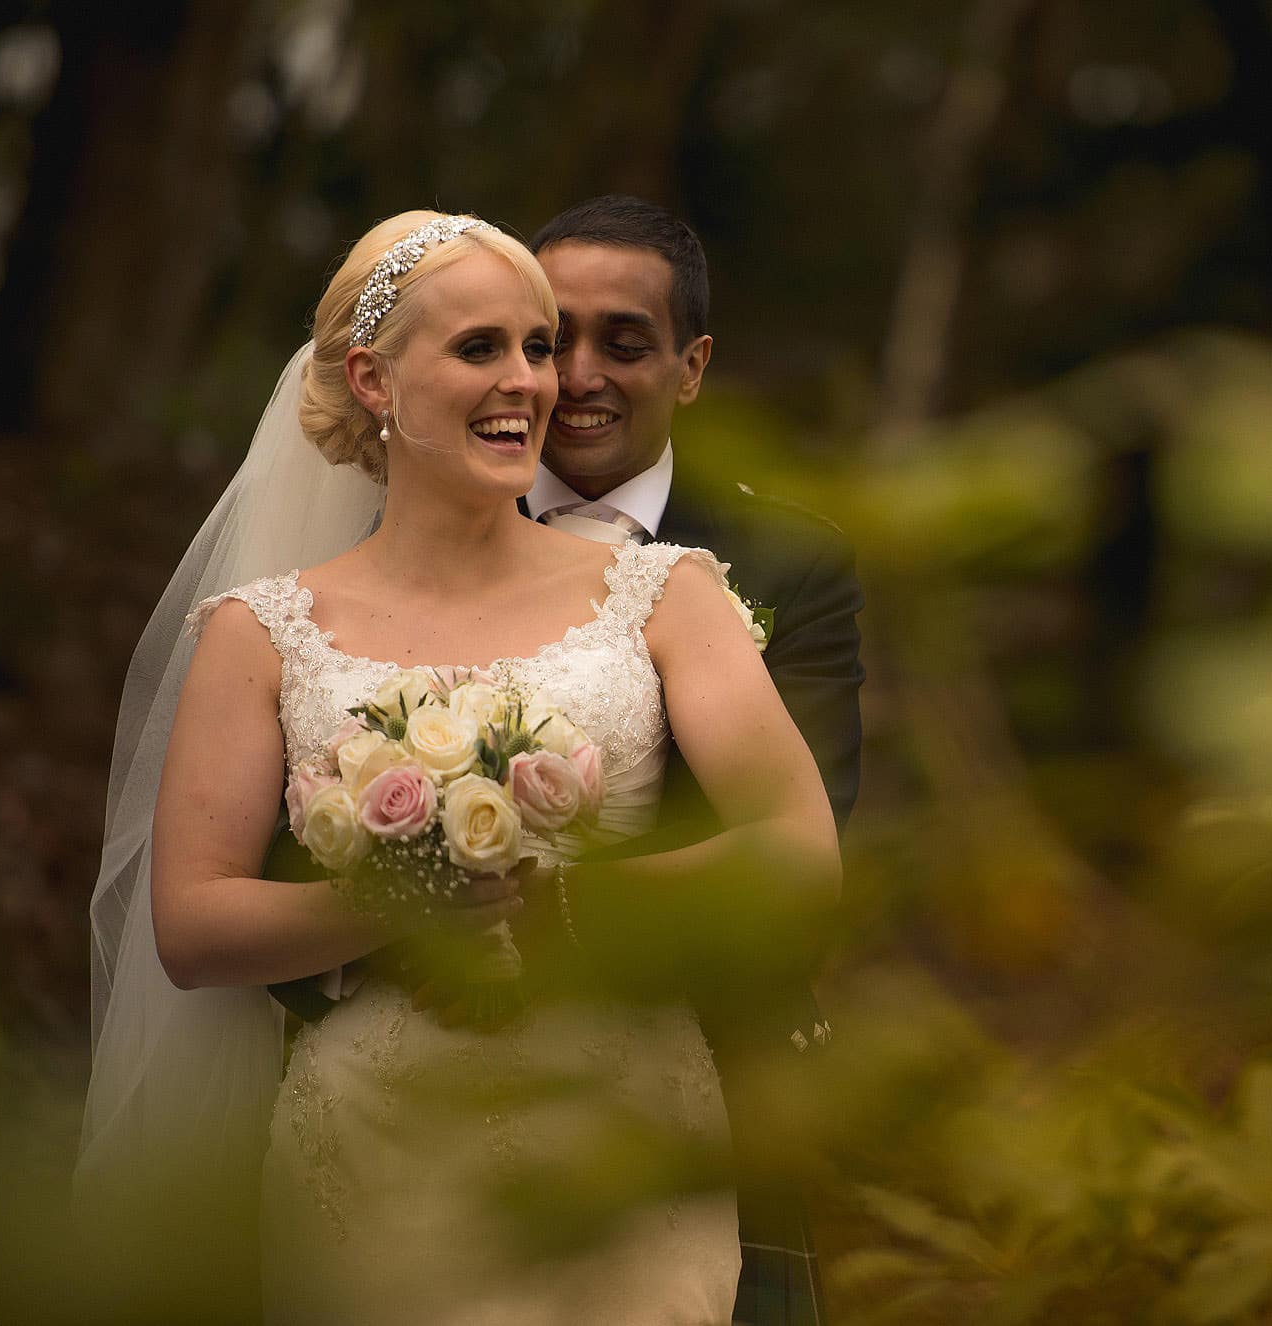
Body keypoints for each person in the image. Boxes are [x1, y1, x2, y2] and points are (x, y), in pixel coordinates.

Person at [78, 210, 839, 1324]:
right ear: (372, 382)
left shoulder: (666, 593)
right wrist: (395, 899)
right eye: (481, 348)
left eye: (536, 347)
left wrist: (576, 900)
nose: (532, 382)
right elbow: (191, 928)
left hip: (622, 1132)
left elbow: (798, 851)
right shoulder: (260, 631)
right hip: (374, 1150)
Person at [525, 195, 864, 1326]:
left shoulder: (788, 562)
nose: (577, 374)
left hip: (701, 1076)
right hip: (418, 1073)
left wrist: (545, 906)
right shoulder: (402, 546)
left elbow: (798, 849)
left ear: (690, 366)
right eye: (547, 336)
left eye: (622, 341)